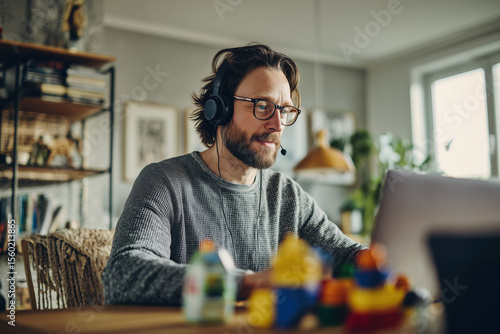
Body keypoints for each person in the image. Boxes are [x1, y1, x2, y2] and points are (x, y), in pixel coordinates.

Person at [102, 43, 366, 306]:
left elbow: (345, 254)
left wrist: (376, 260)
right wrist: (246, 284)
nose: (277, 125)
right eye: (263, 106)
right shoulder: (164, 182)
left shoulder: (289, 197)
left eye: (284, 110)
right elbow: (124, 274)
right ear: (220, 108)